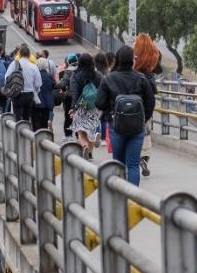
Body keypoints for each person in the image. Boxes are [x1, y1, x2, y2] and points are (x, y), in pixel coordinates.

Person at [96, 46, 156, 186]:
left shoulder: (108, 79)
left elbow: (99, 102)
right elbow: (150, 102)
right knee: (133, 165)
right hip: (137, 127)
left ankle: (121, 197)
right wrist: (143, 119)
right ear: (132, 61)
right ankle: (133, 201)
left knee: (118, 163)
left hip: (116, 126)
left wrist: (110, 113)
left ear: (117, 60)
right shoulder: (141, 78)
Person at [133, 33, 162, 177]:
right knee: (145, 126)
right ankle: (144, 155)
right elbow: (159, 69)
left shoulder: (134, 55)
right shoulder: (153, 53)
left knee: (133, 126)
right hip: (148, 94)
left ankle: (135, 153)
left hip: (133, 97)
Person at [69, 54, 103, 159]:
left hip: (81, 107)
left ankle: (84, 147)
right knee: (91, 131)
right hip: (94, 107)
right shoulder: (98, 75)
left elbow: (74, 93)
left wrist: (73, 108)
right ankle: (90, 150)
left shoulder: (75, 76)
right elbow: (103, 91)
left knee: (81, 132)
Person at [5, 45, 42, 122]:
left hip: (17, 94)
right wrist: (34, 91)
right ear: (29, 55)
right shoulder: (33, 66)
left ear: (19, 54)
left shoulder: (14, 64)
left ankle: (18, 131)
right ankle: (26, 130)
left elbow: (6, 78)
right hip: (29, 94)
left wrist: (10, 88)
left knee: (17, 117)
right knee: (27, 117)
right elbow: (38, 83)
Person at [31, 57, 56, 131]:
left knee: (35, 122)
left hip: (36, 101)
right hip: (47, 102)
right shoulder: (49, 76)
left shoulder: (34, 75)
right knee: (44, 123)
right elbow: (53, 86)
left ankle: (36, 139)